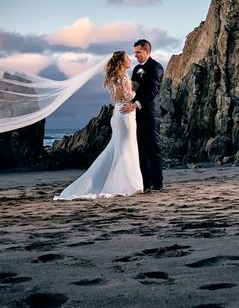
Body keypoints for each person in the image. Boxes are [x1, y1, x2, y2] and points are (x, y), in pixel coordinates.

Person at [53, 51, 143, 200]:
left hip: (118, 114)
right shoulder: (123, 76)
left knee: (118, 149)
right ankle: (127, 185)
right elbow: (127, 96)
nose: (130, 59)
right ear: (121, 62)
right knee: (126, 149)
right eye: (127, 57)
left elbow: (117, 98)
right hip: (125, 116)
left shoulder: (113, 77)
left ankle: (125, 183)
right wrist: (136, 88)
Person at [120, 39, 164, 191]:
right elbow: (134, 88)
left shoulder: (156, 67)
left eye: (138, 52)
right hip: (136, 115)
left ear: (147, 51)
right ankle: (145, 183)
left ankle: (158, 184)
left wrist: (135, 104)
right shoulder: (137, 68)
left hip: (151, 114)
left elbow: (153, 91)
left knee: (154, 148)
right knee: (141, 149)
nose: (136, 56)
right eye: (134, 53)